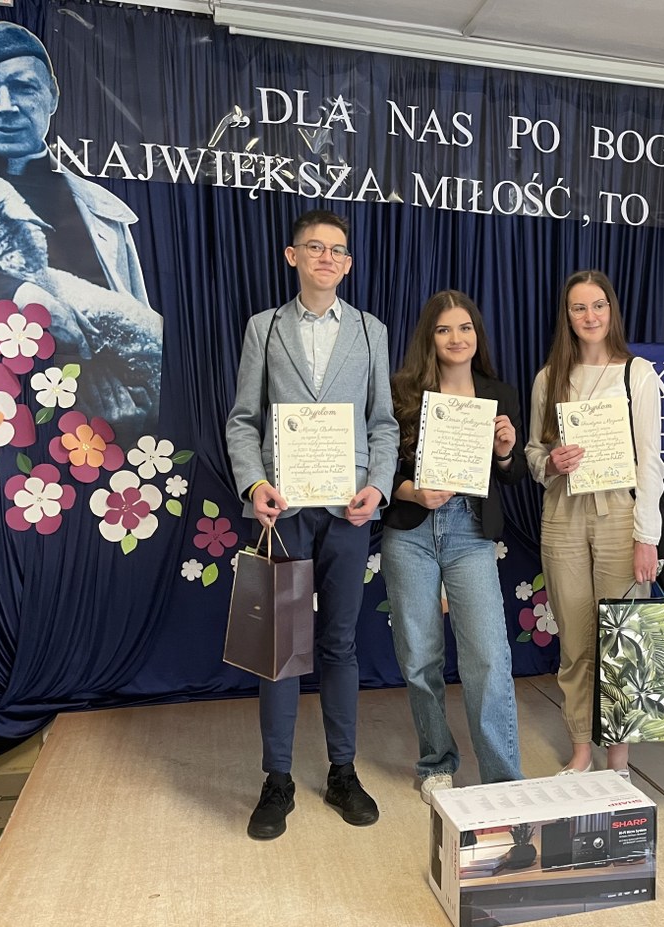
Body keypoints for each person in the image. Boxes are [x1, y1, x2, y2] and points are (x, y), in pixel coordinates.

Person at [225, 209, 398, 840]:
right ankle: (277, 780)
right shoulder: (264, 328)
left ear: (348, 264)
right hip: (285, 511)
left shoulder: (371, 331)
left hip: (348, 510)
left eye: (338, 250)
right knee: (279, 647)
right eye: (315, 247)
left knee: (340, 644)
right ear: (292, 256)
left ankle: (342, 772)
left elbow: (383, 424)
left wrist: (378, 485)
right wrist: (255, 484)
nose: (327, 257)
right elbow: (244, 421)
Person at [0, 21, 161, 443]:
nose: (5, 106)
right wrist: (23, 295)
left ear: (52, 94)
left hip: (88, 434)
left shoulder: (99, 207)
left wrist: (140, 402)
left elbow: (139, 327)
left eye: (23, 87)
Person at [381, 290, 526, 803]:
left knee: (488, 655)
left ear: (477, 335)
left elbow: (513, 475)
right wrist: (411, 491)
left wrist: (504, 452)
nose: (456, 338)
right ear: (430, 337)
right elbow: (378, 467)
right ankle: (435, 762)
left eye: (465, 328)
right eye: (444, 329)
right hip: (411, 533)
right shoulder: (402, 391)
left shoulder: (499, 395)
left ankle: (502, 778)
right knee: (419, 655)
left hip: (470, 531)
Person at [526, 270, 664, 778]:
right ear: (567, 316)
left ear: (612, 311)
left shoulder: (637, 374)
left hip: (619, 517)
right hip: (563, 516)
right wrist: (550, 463)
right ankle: (581, 750)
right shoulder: (549, 378)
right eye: (579, 308)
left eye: (598, 305)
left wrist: (646, 537)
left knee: (622, 638)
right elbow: (533, 453)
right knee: (576, 643)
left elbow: (651, 462)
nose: (590, 316)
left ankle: (619, 760)